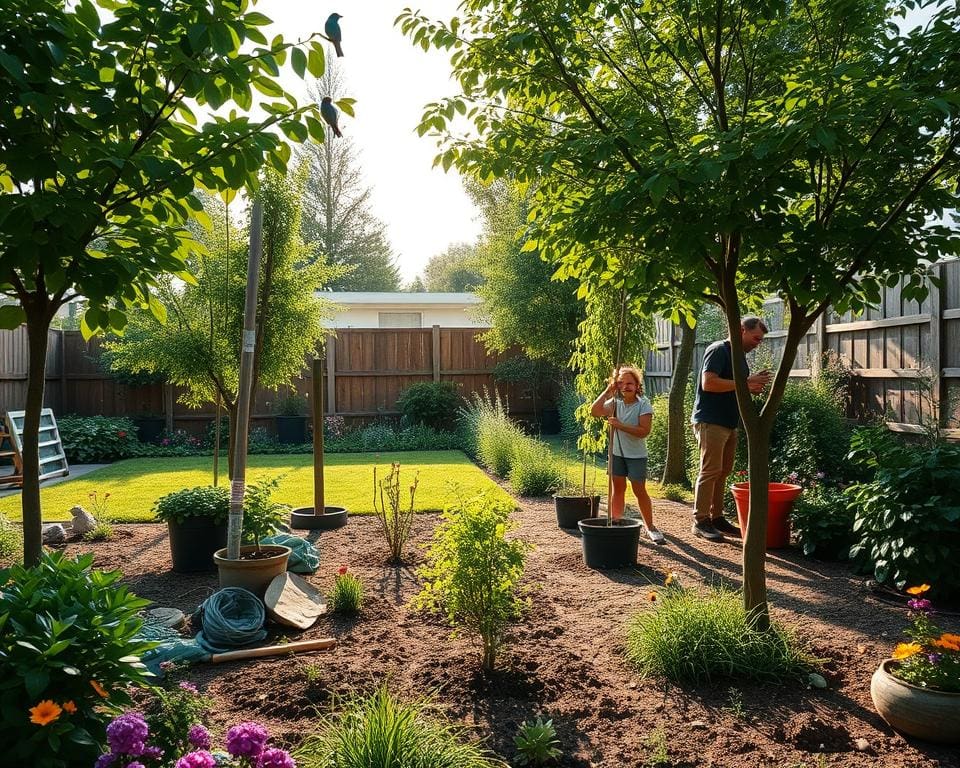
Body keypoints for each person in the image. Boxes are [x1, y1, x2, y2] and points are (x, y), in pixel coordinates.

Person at [691, 315, 771, 542]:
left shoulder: (739, 358)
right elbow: (709, 383)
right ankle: (700, 520)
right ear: (740, 330)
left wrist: (750, 388)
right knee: (709, 471)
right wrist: (746, 383)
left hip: (728, 422)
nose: (759, 343)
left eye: (761, 340)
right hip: (711, 420)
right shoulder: (718, 350)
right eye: (756, 338)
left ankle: (716, 518)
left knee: (722, 471)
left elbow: (732, 387)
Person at [590, 365, 665, 545]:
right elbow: (595, 411)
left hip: (636, 456)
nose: (626, 387)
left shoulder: (643, 404)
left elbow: (644, 431)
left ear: (637, 384)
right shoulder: (615, 404)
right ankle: (616, 522)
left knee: (639, 490)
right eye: (621, 384)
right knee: (618, 488)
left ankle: (651, 527)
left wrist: (619, 425)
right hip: (617, 454)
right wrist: (608, 391)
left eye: (630, 383)